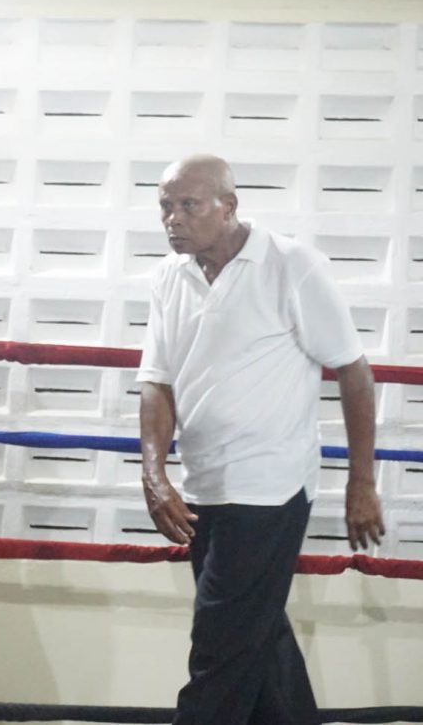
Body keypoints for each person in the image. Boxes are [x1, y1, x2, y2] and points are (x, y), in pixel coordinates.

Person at [136, 154, 385, 724]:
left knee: (219, 650)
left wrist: (362, 482)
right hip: (204, 487)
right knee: (257, 636)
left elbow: (354, 370)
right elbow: (156, 383)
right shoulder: (167, 279)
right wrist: (154, 475)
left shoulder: (291, 266)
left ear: (228, 206)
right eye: (165, 207)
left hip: (268, 489)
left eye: (188, 205)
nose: (173, 218)